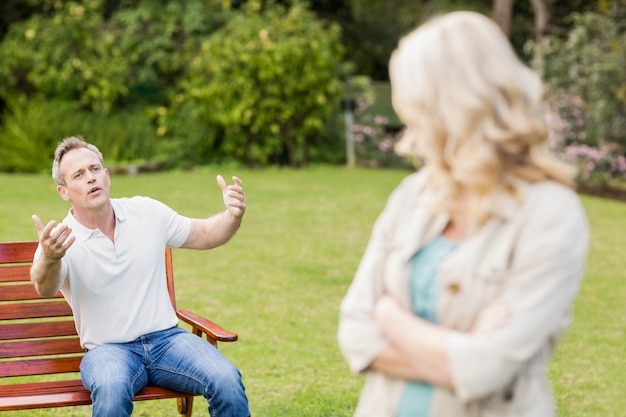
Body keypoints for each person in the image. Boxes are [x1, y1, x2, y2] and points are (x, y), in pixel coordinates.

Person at [337, 11, 589, 417]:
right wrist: (459, 351)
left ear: (453, 105)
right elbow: (355, 332)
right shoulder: (413, 195)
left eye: (414, 103)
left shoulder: (551, 213)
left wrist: (390, 319)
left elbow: (489, 368)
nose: (407, 119)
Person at [30, 136, 250, 417]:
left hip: (168, 340)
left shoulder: (146, 212)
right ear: (64, 191)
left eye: (95, 169)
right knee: (111, 391)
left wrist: (232, 215)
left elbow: (206, 234)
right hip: (108, 350)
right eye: (78, 174)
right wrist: (50, 257)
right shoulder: (59, 240)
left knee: (227, 380)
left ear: (107, 176)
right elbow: (44, 285)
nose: (91, 178)